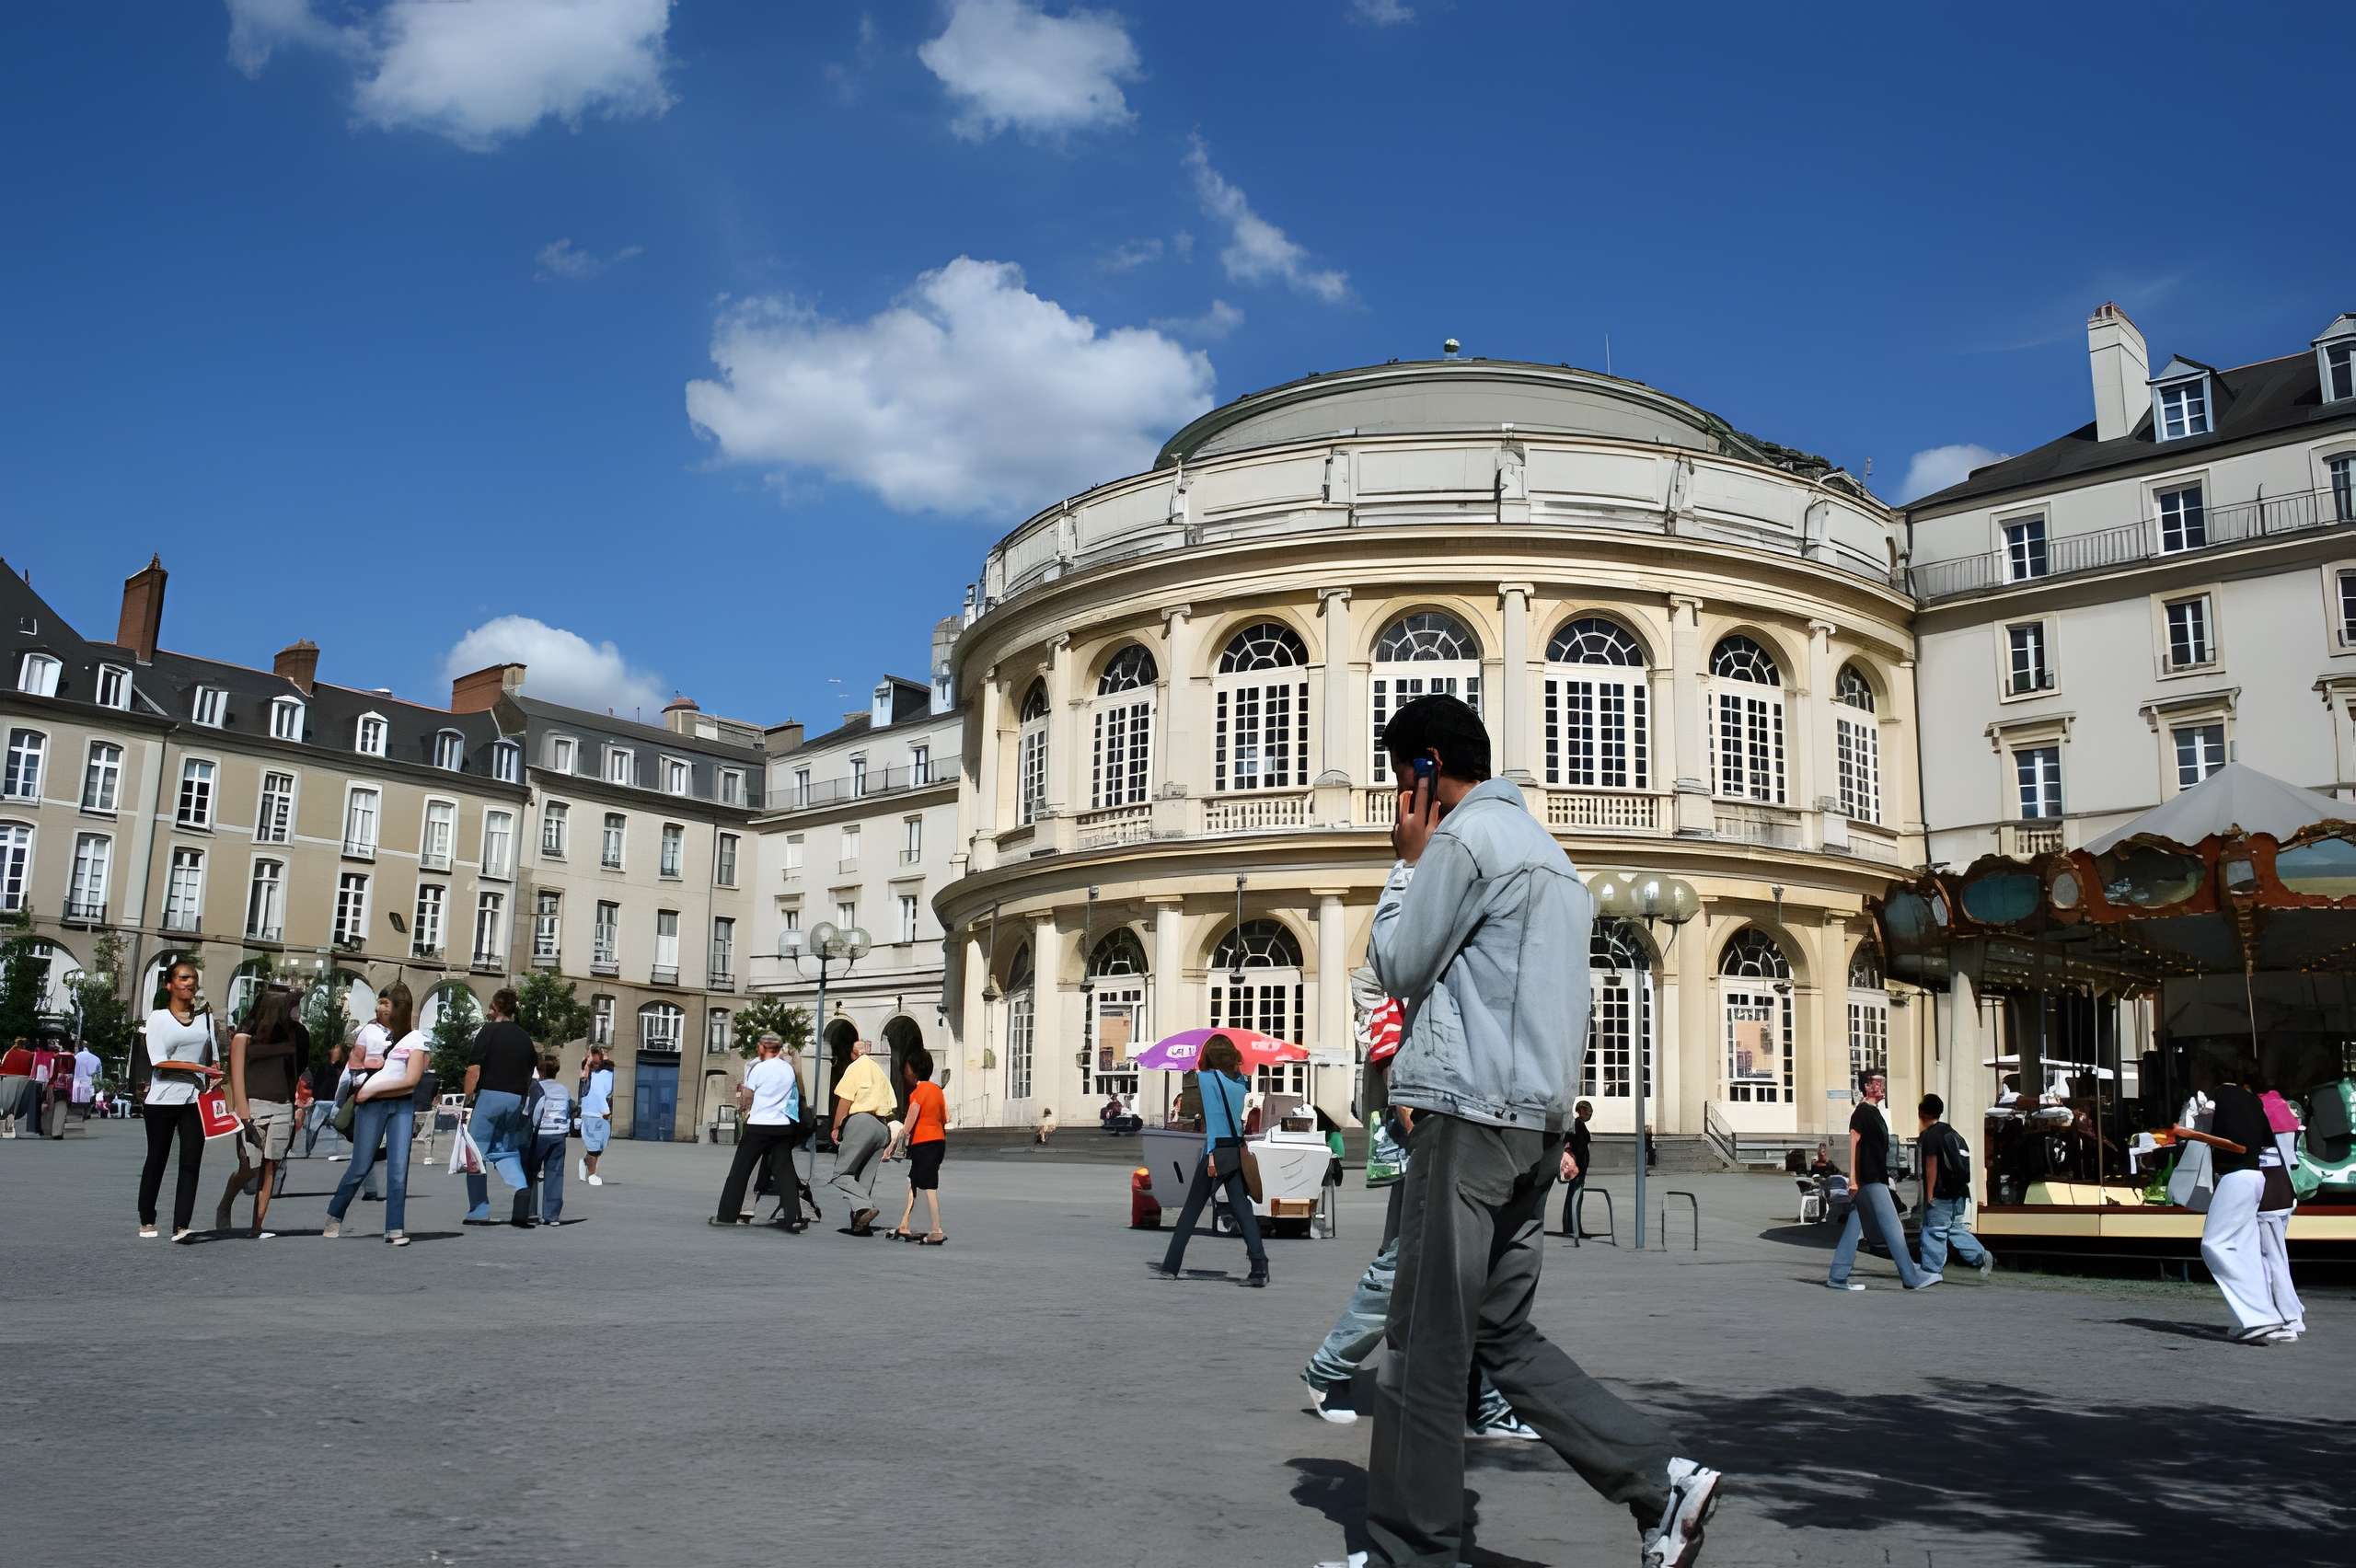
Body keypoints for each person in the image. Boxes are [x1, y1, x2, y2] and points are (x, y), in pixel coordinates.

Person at [1323, 693, 1716, 1568]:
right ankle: (1661, 1481)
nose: (1396, 795)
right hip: (1538, 1126)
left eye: (1399, 775)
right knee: (1501, 1333)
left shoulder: (1460, 843)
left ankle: (1410, 1552)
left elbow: (1397, 963)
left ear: (1425, 768)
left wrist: (1405, 866)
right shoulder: (1553, 856)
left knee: (1425, 1346)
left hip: (1466, 1118)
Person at [1302, 970, 1536, 1442]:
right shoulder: (1424, 931)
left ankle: (1484, 1400)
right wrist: (1401, 1084)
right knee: (1404, 1266)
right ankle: (1330, 1366)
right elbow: (1375, 984)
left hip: (1482, 1124)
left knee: (1481, 1271)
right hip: (1432, 1128)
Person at [2177, 1059, 2295, 1343]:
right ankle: (2267, 1316)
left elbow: (2210, 1137)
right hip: (2257, 1177)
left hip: (2235, 1175)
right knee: (2246, 1248)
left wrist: (2186, 1132)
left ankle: (2258, 1315)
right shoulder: (2253, 1100)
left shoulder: (2215, 1099)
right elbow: (2266, 1139)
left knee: (2214, 1245)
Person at [1149, 1034, 1267, 1286]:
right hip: (1236, 1149)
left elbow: (1201, 1116)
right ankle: (1259, 1268)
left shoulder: (1204, 1079)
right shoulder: (1241, 1083)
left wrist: (1211, 1153)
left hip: (1216, 1151)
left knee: (1191, 1211)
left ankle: (1171, 1266)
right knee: (1242, 1209)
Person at [324, 983, 426, 1245]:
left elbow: (412, 1080)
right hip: (370, 1106)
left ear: (400, 1008)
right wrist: (359, 1091)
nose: (380, 1008)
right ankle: (335, 1213)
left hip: (400, 1105)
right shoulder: (367, 1033)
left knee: (399, 1168)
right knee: (360, 1166)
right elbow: (352, 1069)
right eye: (380, 1003)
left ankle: (395, 1228)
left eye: (386, 1003)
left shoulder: (416, 1040)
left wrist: (374, 1090)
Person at [1827, 1071, 1939, 1292]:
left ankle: (1837, 1276)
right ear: (1866, 1087)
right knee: (1893, 1228)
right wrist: (1853, 1180)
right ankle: (1910, 1276)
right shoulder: (1862, 1112)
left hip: (1872, 1177)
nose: (1881, 1087)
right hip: (1869, 1179)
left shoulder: (1874, 1112)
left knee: (1854, 1227)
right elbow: (1854, 1141)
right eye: (1876, 1083)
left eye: (1882, 1082)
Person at [138, 962, 219, 1241]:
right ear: (169, 985)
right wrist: (199, 1069)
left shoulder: (205, 1018)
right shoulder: (158, 1018)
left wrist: (217, 1076)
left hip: (194, 1100)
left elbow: (214, 1059)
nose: (189, 983)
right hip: (161, 1099)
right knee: (157, 1159)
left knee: (191, 1162)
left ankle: (182, 1226)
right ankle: (147, 1218)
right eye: (183, 978)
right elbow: (158, 1060)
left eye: (193, 978)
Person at [216, 986, 306, 1239]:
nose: (292, 1013)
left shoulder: (294, 1036)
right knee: (249, 1166)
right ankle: (226, 1202)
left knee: (270, 1166)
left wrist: (298, 1106)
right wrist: (242, 1110)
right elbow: (236, 1076)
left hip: (282, 1106)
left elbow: (298, 1072)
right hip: (253, 1106)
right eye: (288, 1008)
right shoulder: (244, 1038)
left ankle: (257, 1226)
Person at [461, 987, 538, 1225]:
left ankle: (479, 1209)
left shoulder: (488, 1031)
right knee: (504, 1149)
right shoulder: (525, 1038)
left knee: (475, 1152)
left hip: (490, 1095)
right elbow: (530, 1073)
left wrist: (467, 1099)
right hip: (516, 1098)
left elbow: (474, 1069)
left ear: (495, 1008)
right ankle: (521, 1188)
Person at [714, 1033, 805, 1228]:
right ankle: (794, 1217)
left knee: (740, 1170)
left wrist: (742, 1109)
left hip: (759, 1125)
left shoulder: (758, 1068)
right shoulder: (788, 1070)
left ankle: (726, 1215)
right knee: (785, 1171)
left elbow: (747, 1096)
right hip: (782, 1125)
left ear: (763, 1048)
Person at [1913, 1094, 1992, 1278]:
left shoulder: (1930, 1136)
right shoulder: (1952, 1132)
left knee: (1935, 1231)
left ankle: (1931, 1270)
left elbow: (1931, 1165)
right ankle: (1981, 1255)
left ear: (1922, 1113)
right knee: (1955, 1229)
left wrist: (1930, 1194)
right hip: (1959, 1193)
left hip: (1941, 1193)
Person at [827, 1039, 897, 1236]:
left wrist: (836, 1127)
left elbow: (845, 1099)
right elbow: (891, 1104)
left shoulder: (855, 1067)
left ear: (853, 1053)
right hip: (881, 1128)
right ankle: (860, 1223)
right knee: (866, 1179)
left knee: (841, 1175)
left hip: (860, 1122)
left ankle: (866, 1206)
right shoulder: (879, 1071)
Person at [2255, 1079, 2306, 1342]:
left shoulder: (2263, 1108)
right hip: (2285, 1189)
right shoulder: (2282, 1107)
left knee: (2270, 1259)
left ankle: (2288, 1318)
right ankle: (2288, 1312)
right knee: (2275, 1257)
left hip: (2270, 1191)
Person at [892, 1046, 949, 1245]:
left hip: (923, 1143)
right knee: (913, 1181)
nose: (905, 1071)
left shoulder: (917, 1092)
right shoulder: (937, 1091)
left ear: (913, 1070)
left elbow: (910, 1121)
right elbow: (945, 1118)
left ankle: (937, 1229)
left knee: (929, 1185)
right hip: (938, 1141)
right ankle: (904, 1223)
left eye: (907, 1068)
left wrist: (892, 1148)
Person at [523, 1054, 572, 1227]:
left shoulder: (536, 1088)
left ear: (539, 1071)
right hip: (559, 1134)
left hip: (541, 1133)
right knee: (555, 1173)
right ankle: (552, 1216)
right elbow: (569, 1109)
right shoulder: (564, 1089)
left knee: (530, 1171)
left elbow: (534, 1110)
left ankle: (529, 1211)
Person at [578, 1047, 615, 1186]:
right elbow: (598, 1091)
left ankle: (587, 1161)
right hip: (592, 1113)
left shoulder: (610, 1072)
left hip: (603, 1115)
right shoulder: (590, 1073)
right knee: (594, 1146)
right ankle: (593, 1175)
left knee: (600, 1146)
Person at [304, 1041, 347, 1158]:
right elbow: (317, 1083)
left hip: (335, 1101)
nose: (333, 1050)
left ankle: (341, 1150)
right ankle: (308, 1149)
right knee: (313, 1127)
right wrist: (313, 1096)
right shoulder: (324, 1066)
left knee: (339, 1125)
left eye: (336, 1049)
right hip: (321, 1101)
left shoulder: (342, 1068)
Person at [1558, 1099, 1594, 1239]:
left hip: (1578, 1166)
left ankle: (1571, 1226)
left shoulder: (1577, 1125)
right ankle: (1573, 1228)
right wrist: (1579, 1163)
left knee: (1573, 1195)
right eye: (1589, 1111)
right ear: (1582, 1111)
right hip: (1578, 1167)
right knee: (1575, 1196)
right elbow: (1578, 1147)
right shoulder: (1578, 1125)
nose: (1590, 1114)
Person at [0, 1035, 30, 1138]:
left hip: (8, 1078)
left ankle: (2, 1128)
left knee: (7, 1105)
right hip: (23, 1079)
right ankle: (12, 1127)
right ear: (25, 1045)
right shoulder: (30, 1055)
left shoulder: (9, 1053)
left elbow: (3, 1065)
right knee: (18, 1105)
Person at [71, 1040, 100, 1129]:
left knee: (76, 1099)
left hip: (76, 1080)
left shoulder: (76, 1057)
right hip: (87, 1081)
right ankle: (86, 1113)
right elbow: (95, 1072)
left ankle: (77, 1114)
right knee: (88, 1099)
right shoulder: (95, 1058)